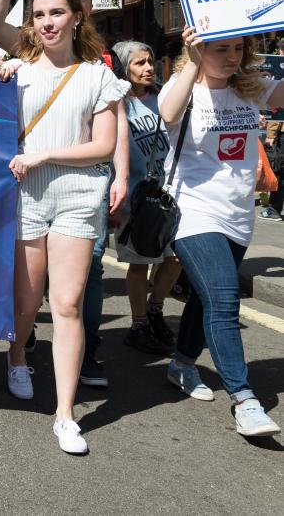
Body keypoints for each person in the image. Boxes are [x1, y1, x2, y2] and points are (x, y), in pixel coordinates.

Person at [0, 0, 126, 456]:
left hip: (77, 196)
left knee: (66, 304)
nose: (47, 23)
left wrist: (45, 156)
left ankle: (65, 413)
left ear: (76, 17)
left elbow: (103, 145)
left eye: (56, 13)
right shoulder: (16, 71)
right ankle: (18, 354)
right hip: (24, 197)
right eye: (39, 15)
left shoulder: (98, 76)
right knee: (26, 305)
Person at [158, 27, 284, 438]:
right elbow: (169, 115)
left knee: (205, 297)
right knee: (225, 298)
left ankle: (181, 363)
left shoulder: (251, 87)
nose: (231, 56)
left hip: (239, 214)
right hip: (194, 212)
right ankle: (244, 399)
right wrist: (192, 64)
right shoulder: (183, 89)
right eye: (220, 49)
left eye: (237, 48)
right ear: (198, 51)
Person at [110, 40, 183, 358]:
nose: (149, 68)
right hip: (135, 201)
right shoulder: (115, 102)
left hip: (171, 197)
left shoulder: (166, 96)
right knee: (140, 263)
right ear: (124, 68)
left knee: (175, 259)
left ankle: (155, 310)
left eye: (150, 61)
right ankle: (139, 325)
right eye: (139, 63)